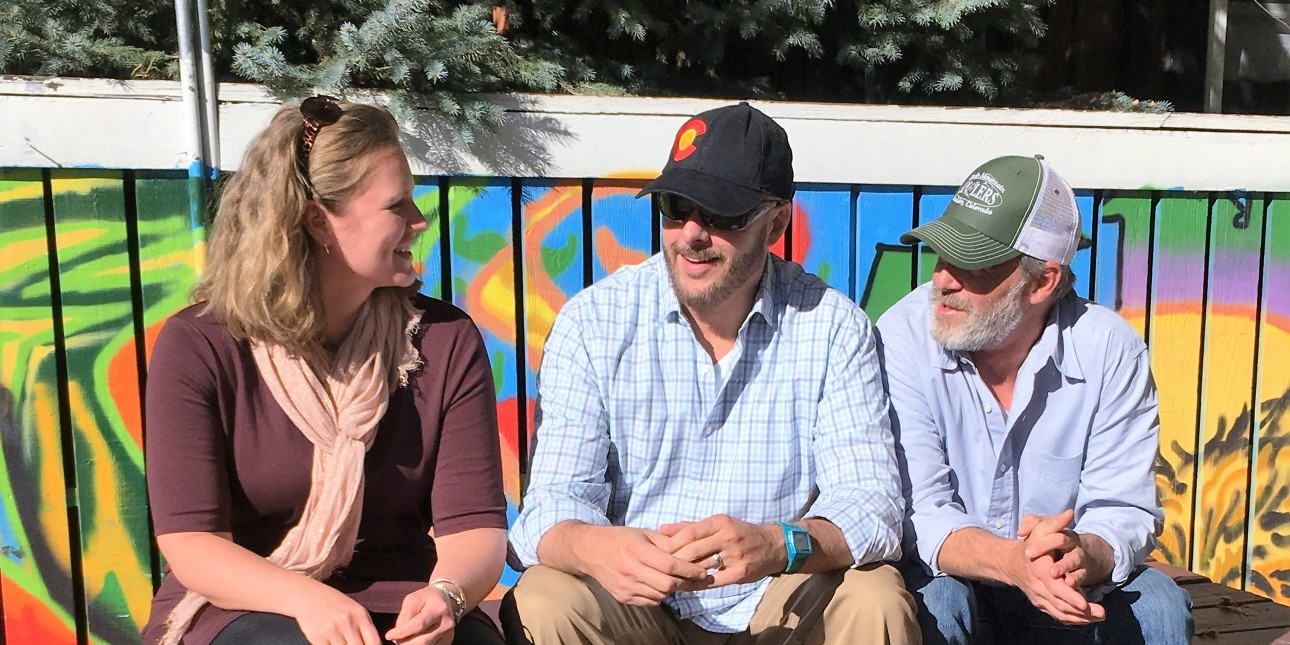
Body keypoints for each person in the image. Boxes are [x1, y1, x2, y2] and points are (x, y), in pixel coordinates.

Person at [502, 102, 918, 644]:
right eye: (676, 207)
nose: (691, 233)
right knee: (544, 597)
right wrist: (599, 547)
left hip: (777, 599)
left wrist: (778, 544)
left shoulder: (834, 327)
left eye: (721, 215)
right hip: (643, 609)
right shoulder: (594, 322)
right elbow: (551, 505)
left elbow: (873, 505)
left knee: (876, 597)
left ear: (776, 224)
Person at [140, 97, 508, 645]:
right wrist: (307, 600)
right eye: (397, 206)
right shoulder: (201, 344)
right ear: (318, 221)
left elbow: (475, 527)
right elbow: (193, 544)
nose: (418, 221)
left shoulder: (445, 340)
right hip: (245, 607)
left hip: (403, 601)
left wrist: (447, 596)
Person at [876, 155, 1193, 644]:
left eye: (971, 264)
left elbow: (1122, 509)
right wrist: (1012, 562)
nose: (943, 280)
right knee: (935, 604)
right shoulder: (903, 335)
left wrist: (1083, 552)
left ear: (1042, 281)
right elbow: (920, 511)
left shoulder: (1109, 348)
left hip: (1061, 589)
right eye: (942, 255)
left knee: (1159, 607)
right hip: (945, 579)